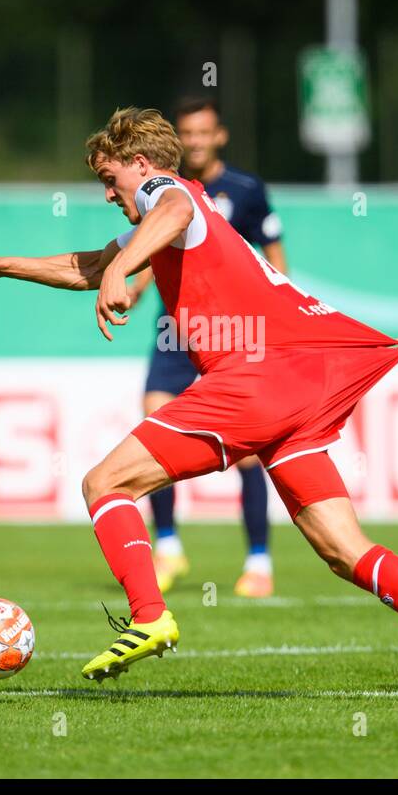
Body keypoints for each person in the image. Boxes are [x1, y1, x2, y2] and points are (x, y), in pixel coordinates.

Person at [0, 108, 398, 701]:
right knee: (344, 551)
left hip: (253, 381)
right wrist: (0, 267)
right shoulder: (160, 217)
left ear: (141, 164)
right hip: (296, 387)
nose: (107, 193)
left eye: (110, 179)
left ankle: (150, 614)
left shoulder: (171, 192)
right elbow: (90, 266)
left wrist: (125, 271)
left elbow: (172, 210)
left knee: (104, 485)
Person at [126, 96, 286, 598]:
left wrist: (277, 315)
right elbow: (162, 247)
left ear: (220, 135)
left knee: (246, 454)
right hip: (176, 329)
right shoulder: (166, 188)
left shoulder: (246, 190)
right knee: (154, 421)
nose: (195, 141)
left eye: (203, 132)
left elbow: (273, 257)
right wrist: (134, 285)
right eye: (187, 133)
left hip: (234, 332)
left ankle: (258, 562)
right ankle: (169, 547)